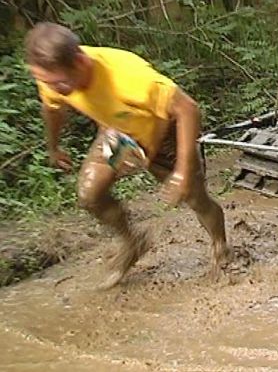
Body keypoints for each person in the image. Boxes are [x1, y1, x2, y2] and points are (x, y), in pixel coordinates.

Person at [25, 22, 232, 289]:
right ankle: (133, 242)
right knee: (90, 194)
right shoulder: (52, 78)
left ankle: (222, 250)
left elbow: (188, 109)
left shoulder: (128, 75)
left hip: (166, 130)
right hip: (121, 133)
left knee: (195, 197)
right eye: (46, 82)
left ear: (80, 62)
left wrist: (181, 172)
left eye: (58, 82)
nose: (55, 89)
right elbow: (52, 110)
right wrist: (53, 148)